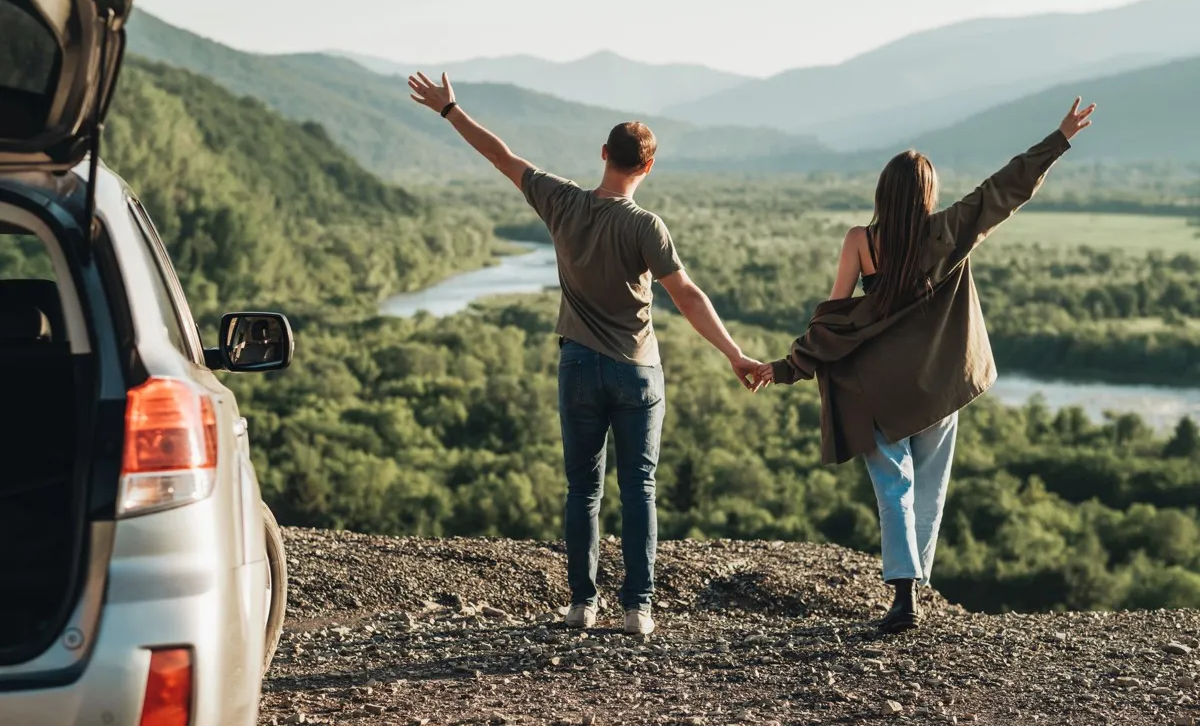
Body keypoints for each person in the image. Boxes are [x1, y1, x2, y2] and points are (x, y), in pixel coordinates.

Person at [408, 71, 764, 636]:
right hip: (636, 369)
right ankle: (638, 609)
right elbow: (687, 295)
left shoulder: (562, 202)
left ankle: (582, 603)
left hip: (577, 365)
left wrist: (450, 110)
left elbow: (502, 156)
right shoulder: (647, 226)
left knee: (583, 489)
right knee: (639, 488)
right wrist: (734, 353)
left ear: (603, 154)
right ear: (647, 167)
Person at [754, 97, 1096, 634]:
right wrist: (1059, 139)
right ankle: (915, 591)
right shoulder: (948, 233)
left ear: (883, 193)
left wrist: (784, 367)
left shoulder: (860, 242)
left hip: (878, 393)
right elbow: (1005, 190)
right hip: (937, 388)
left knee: (895, 490)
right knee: (929, 493)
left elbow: (833, 322)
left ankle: (904, 595)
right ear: (928, 193)